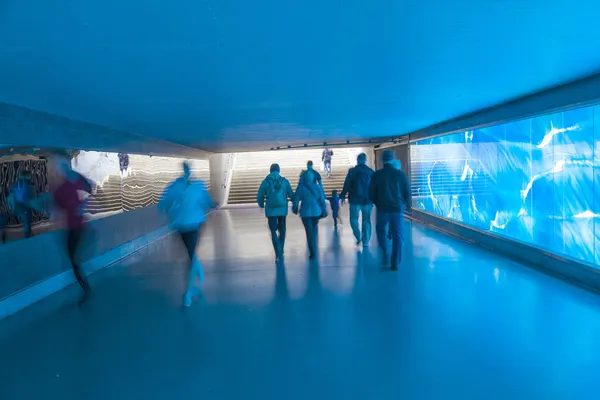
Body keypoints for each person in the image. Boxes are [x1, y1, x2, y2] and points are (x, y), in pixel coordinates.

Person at [158, 161, 217, 307]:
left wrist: (171, 211)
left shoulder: (175, 186)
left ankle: (190, 286)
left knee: (191, 253)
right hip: (193, 224)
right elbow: (208, 201)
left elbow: (162, 204)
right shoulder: (197, 185)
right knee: (191, 255)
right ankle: (190, 289)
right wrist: (212, 203)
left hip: (181, 225)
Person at [50, 157, 94, 304]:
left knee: (74, 261)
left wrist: (82, 205)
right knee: (74, 261)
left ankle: (86, 289)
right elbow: (56, 208)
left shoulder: (70, 186)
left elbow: (90, 188)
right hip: (74, 228)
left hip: (76, 228)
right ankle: (85, 287)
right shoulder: (63, 189)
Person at [369, 150, 411, 271]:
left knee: (380, 231)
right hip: (397, 210)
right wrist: (407, 205)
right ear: (392, 159)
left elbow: (371, 193)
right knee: (398, 236)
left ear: (382, 160)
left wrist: (377, 202)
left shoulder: (377, 175)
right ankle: (395, 262)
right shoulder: (400, 174)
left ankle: (385, 252)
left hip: (383, 209)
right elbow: (407, 192)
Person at [256, 163, 294, 263]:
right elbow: (291, 194)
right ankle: (280, 249)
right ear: (279, 171)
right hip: (282, 209)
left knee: (273, 231)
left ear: (270, 171)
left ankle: (278, 252)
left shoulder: (265, 182)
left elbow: (260, 195)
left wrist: (261, 204)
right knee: (282, 229)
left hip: (271, 210)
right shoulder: (284, 181)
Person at [341, 153, 375, 248]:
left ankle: (358, 235)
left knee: (353, 219)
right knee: (367, 220)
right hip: (367, 201)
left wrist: (343, 195)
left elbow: (347, 184)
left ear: (357, 160)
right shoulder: (370, 171)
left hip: (355, 200)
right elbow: (374, 187)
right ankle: (366, 241)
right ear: (365, 160)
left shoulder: (352, 171)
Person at [292, 169, 328, 260]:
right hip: (316, 212)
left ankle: (312, 251)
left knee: (309, 231)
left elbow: (296, 199)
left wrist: (295, 208)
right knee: (314, 228)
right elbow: (322, 200)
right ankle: (314, 245)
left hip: (305, 213)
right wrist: (324, 209)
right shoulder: (317, 187)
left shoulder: (301, 187)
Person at [10, 172, 35, 238]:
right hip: (24, 208)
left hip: (22, 208)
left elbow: (11, 196)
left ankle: (28, 235)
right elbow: (32, 196)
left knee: (27, 223)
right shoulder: (27, 185)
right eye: (28, 176)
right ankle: (28, 238)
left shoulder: (16, 185)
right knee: (27, 223)